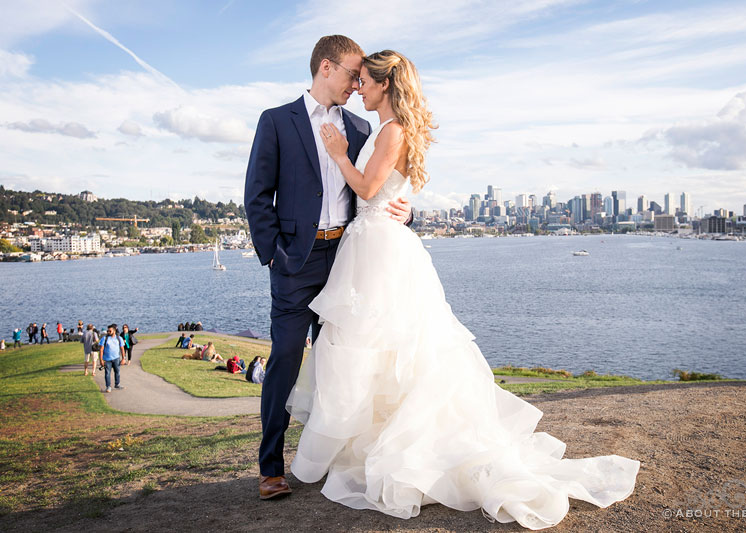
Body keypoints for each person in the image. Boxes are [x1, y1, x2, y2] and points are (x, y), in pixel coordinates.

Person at [282, 50, 641, 529]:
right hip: (370, 244)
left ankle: (403, 451)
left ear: (385, 85)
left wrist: (339, 155)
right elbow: (382, 192)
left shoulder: (389, 132)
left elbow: (369, 190)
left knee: (383, 346)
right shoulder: (385, 129)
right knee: (373, 349)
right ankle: (372, 442)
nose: (359, 89)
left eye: (365, 82)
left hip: (378, 249)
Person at [245, 34, 413, 502]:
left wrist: (408, 213)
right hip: (294, 264)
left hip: (348, 262)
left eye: (363, 77)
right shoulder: (277, 121)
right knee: (283, 361)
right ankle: (271, 468)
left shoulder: (362, 127)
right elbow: (256, 197)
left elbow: (381, 184)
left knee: (345, 365)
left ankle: (327, 461)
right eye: (351, 73)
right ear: (325, 68)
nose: (358, 83)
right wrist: (275, 253)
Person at [98, 324, 125, 393]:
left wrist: (123, 358)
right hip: (107, 360)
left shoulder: (119, 338)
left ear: (114, 331)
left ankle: (117, 384)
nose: (108, 332)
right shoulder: (105, 338)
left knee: (117, 372)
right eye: (107, 331)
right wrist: (101, 360)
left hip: (116, 358)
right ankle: (108, 386)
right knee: (107, 373)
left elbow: (122, 348)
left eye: (110, 331)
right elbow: (101, 349)